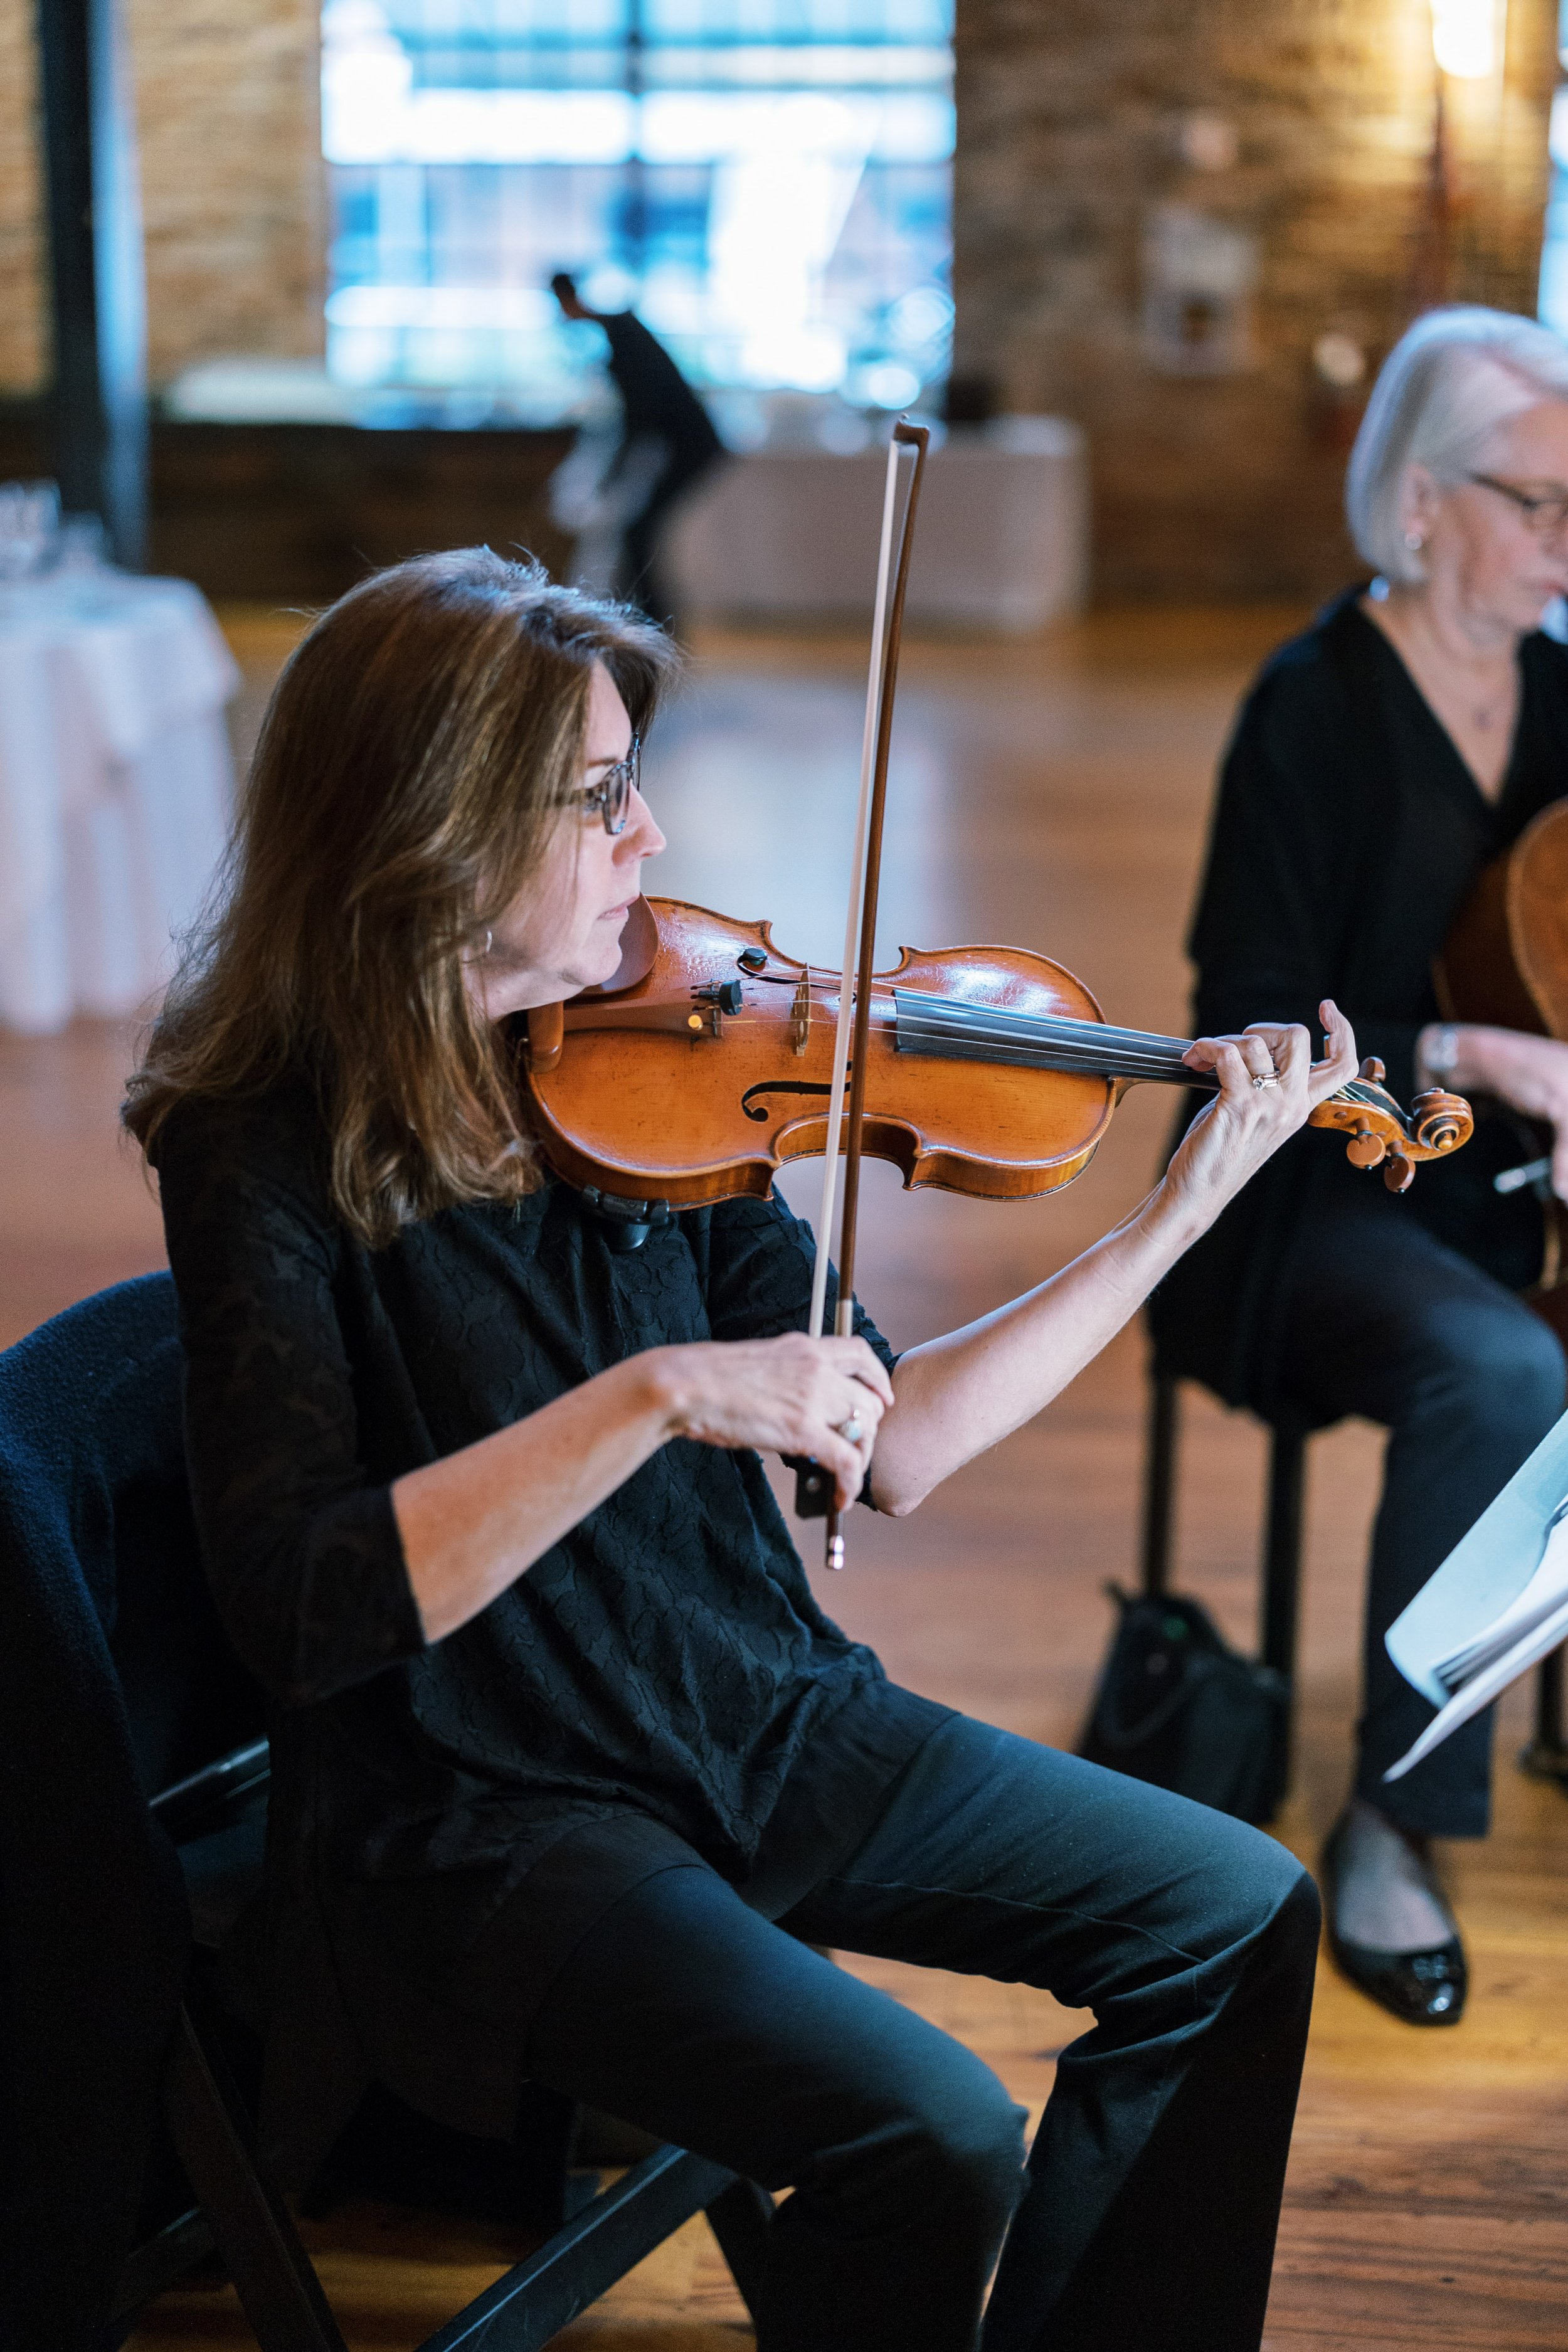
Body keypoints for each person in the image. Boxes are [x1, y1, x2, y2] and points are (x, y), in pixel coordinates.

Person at [125, 546, 1357, 2351]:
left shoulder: (672, 1066)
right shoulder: (257, 1143)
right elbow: (308, 1601)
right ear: (432, 826)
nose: (653, 828)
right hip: (493, 1821)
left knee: (1236, 1915)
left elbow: (902, 1440)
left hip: (757, 1712)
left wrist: (1179, 1214)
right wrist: (659, 1393)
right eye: (602, 792)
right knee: (932, 2131)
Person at [1150, 305, 1568, 2030]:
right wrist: (1468, 1053)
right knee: (1503, 1363)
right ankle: (1392, 1809)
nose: (1565, 536)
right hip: (1311, 1190)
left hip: (1506, 1185)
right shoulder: (1309, 710)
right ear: (1417, 503)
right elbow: (1244, 1021)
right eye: (1537, 500)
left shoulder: (1559, 694)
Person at [549, 272, 724, 627]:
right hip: (686, 448)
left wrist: (611, 474)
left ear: (568, 300)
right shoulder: (621, 332)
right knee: (637, 532)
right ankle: (647, 621)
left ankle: (651, 624)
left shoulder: (624, 337)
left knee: (638, 532)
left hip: (692, 449)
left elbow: (641, 415)